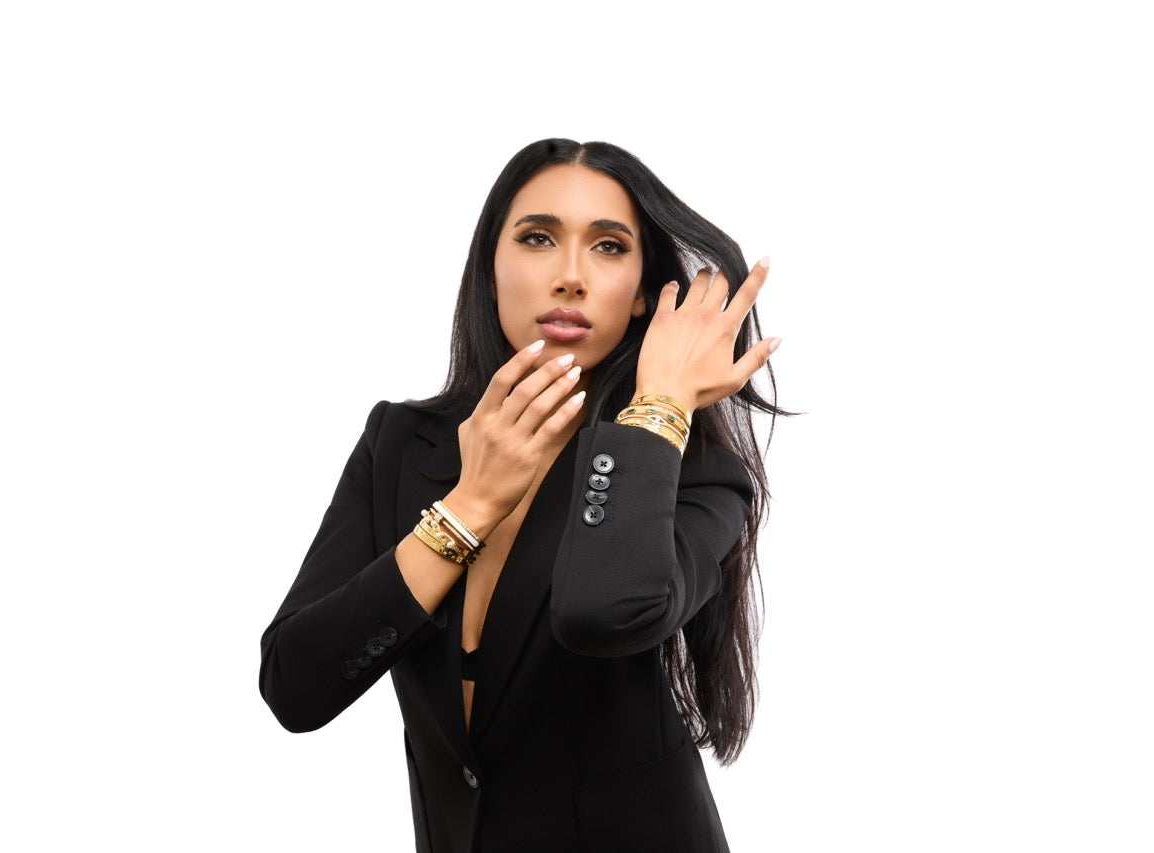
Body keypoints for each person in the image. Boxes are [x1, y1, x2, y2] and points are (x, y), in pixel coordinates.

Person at [259, 138, 791, 852]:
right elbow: (295, 686)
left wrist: (661, 404)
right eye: (538, 238)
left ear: (642, 292)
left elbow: (603, 612)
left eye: (608, 247)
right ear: (491, 267)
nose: (570, 277)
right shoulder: (399, 443)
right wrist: (470, 505)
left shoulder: (692, 470)